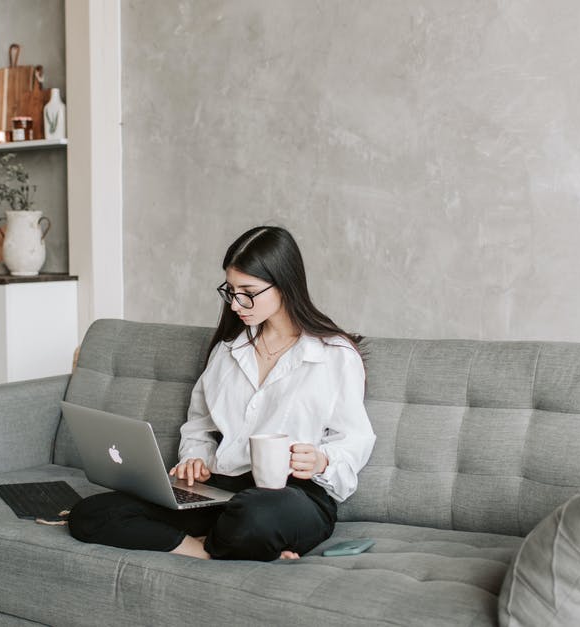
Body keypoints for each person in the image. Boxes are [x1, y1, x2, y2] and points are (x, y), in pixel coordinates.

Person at [68, 225, 376, 561]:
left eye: (248, 291)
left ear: (284, 284)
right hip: (221, 489)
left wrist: (322, 460)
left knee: (254, 516)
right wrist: (194, 460)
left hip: (291, 495)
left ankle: (230, 539)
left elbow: (354, 440)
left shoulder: (333, 354)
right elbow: (200, 426)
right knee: (91, 512)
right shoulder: (229, 350)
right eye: (230, 290)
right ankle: (204, 549)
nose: (235, 305)